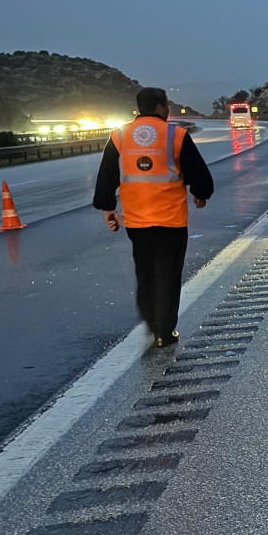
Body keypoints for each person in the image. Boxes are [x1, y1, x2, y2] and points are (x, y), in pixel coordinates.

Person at [94, 88, 214, 348]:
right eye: (167, 105)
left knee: (145, 271)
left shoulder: (120, 136)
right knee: (168, 274)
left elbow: (106, 178)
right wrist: (200, 194)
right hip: (170, 220)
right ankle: (164, 331)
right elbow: (200, 175)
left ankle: (150, 322)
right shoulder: (176, 135)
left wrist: (107, 208)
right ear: (162, 106)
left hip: (137, 222)